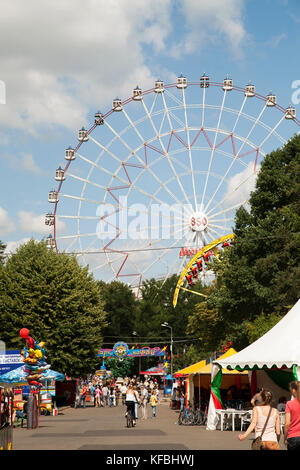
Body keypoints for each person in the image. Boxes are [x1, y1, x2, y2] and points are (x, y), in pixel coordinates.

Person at [284, 381, 300, 450]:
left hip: (293, 437)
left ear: (293, 390)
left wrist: (285, 438)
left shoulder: (289, 404)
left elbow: (287, 424)